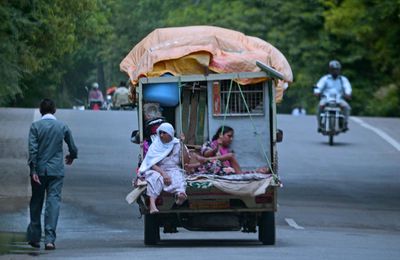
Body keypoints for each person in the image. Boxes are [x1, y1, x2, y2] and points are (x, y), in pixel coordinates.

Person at [27, 98, 78, 250]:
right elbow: (72, 146)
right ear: (54, 110)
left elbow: (33, 150)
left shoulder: (35, 126)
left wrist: (33, 170)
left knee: (36, 202)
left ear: (41, 111)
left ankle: (35, 237)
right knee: (53, 203)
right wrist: (71, 156)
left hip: (40, 171)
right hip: (56, 171)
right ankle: (49, 239)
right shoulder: (62, 126)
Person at [138, 123, 190, 214]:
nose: (161, 135)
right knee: (154, 178)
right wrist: (163, 174)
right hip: (157, 169)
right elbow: (151, 163)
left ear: (170, 133)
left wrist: (182, 144)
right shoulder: (155, 145)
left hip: (173, 169)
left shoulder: (178, 144)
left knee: (178, 176)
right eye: (160, 133)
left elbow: (185, 161)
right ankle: (152, 205)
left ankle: (180, 195)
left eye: (164, 133)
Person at [314, 60, 352, 131]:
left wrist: (348, 94)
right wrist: (317, 92)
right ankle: (319, 125)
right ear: (330, 70)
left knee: (347, 107)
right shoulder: (325, 79)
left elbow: (347, 87)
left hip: (339, 99)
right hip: (326, 99)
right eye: (333, 69)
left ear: (339, 70)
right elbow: (319, 86)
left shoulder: (343, 79)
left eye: (337, 69)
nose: (335, 71)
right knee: (320, 106)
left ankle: (345, 123)